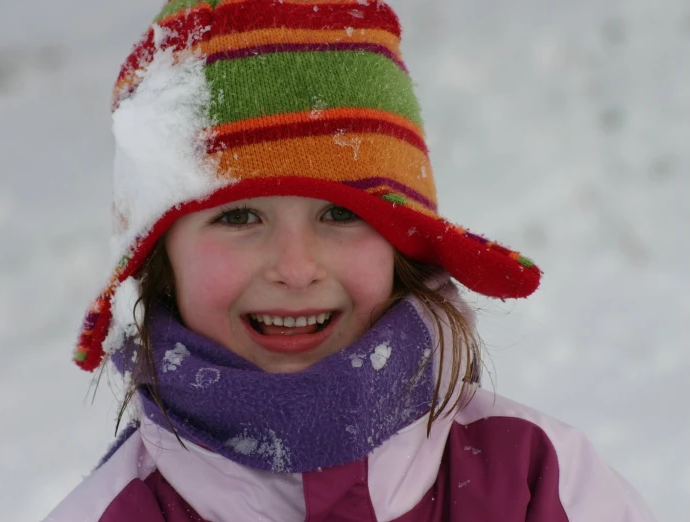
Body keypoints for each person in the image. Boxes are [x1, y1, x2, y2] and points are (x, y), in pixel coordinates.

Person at [45, 1, 656, 521]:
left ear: (403, 244)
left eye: (340, 215)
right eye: (237, 217)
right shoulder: (114, 510)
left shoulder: (534, 482)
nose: (295, 266)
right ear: (158, 258)